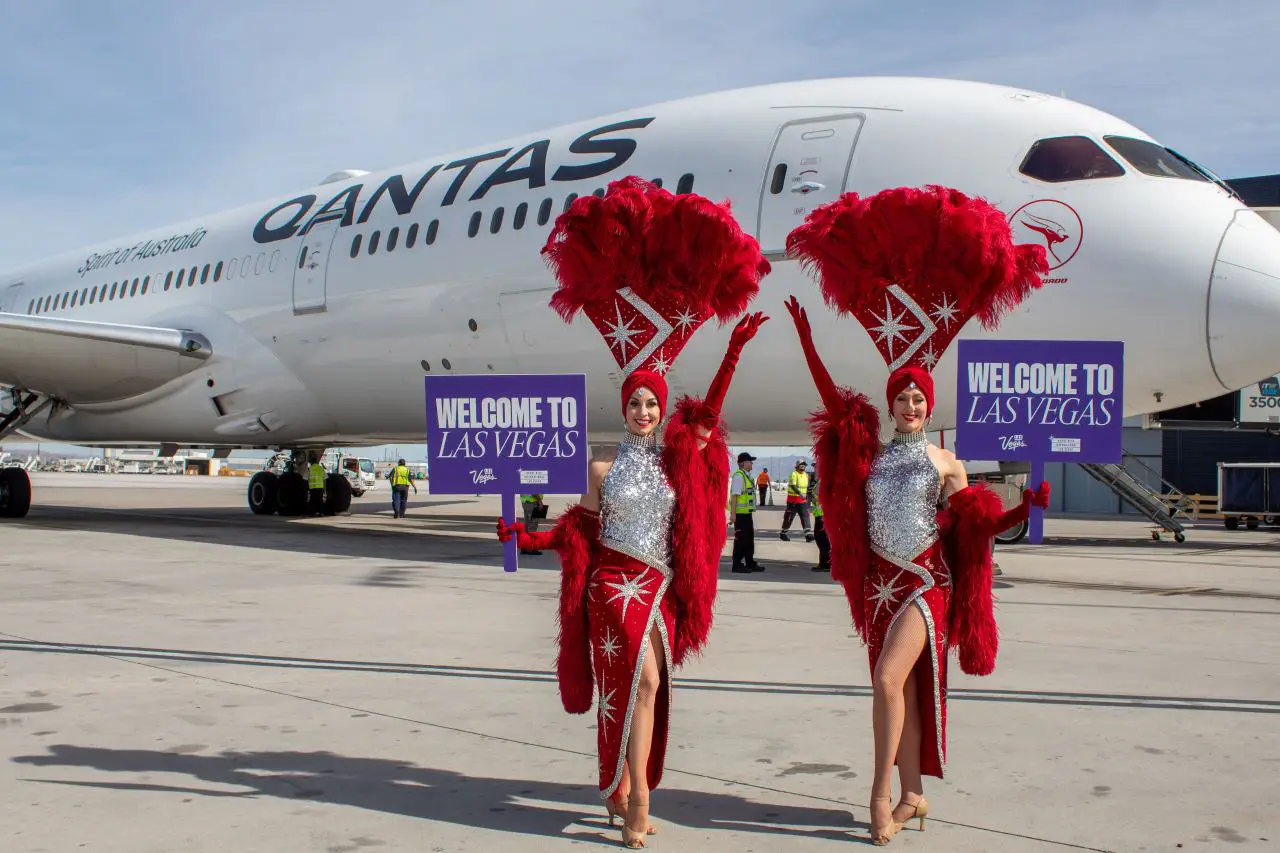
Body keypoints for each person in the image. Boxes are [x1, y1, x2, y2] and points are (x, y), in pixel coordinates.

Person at [494, 177, 770, 848]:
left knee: (641, 692)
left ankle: (622, 783)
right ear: (624, 409)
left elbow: (708, 413)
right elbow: (577, 531)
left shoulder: (680, 455)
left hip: (661, 588)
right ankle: (640, 797)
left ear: (661, 405)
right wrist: (525, 536)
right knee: (640, 680)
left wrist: (732, 350)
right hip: (613, 588)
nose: (644, 411)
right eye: (635, 403)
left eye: (652, 403)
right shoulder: (600, 466)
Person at [785, 185, 1053, 844]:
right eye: (901, 395)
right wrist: (805, 338)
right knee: (898, 690)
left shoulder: (947, 462)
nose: (909, 402)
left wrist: (1022, 506)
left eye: (917, 396)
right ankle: (914, 792)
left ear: (928, 404)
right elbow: (828, 398)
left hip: (924, 585)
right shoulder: (872, 455)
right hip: (878, 588)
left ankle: (878, 794)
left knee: (885, 680)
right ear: (892, 402)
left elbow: (974, 528)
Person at [730, 452, 765, 573]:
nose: (751, 463)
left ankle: (750, 562)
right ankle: (737, 564)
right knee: (741, 539)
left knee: (749, 539)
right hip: (740, 514)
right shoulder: (738, 476)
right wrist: (733, 514)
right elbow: (734, 496)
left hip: (747, 513)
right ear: (742, 463)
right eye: (749, 461)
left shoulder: (747, 476)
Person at [779, 459, 814, 542]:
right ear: (797, 466)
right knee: (789, 518)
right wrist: (799, 493)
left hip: (803, 501)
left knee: (805, 516)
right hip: (793, 501)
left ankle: (808, 534)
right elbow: (793, 485)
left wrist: (810, 494)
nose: (803, 466)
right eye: (801, 464)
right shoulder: (793, 474)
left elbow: (807, 487)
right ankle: (783, 533)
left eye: (804, 464)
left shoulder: (806, 475)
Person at [810, 469, 831, 573]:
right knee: (821, 540)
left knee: (822, 541)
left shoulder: (823, 482)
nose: (815, 470)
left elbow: (818, 497)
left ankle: (825, 564)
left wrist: (814, 499)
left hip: (822, 515)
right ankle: (823, 563)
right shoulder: (821, 481)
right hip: (820, 515)